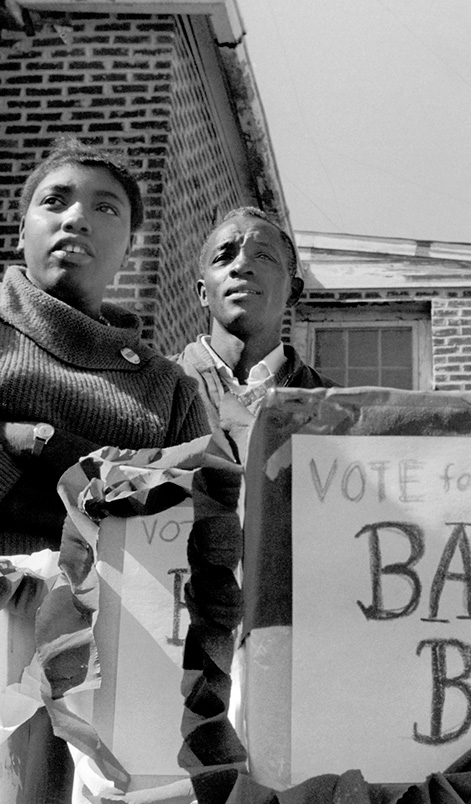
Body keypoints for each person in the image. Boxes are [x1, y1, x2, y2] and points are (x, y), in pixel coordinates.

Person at [0, 137, 210, 803]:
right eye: (53, 202)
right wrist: (18, 443)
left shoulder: (166, 387)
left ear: (130, 246)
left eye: (104, 208)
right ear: (23, 224)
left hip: (117, 661)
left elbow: (198, 527)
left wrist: (52, 450)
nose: (75, 218)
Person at [174, 207, 333, 432]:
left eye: (263, 256)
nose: (240, 266)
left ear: (293, 291)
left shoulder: (335, 411)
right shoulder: (153, 388)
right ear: (203, 293)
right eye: (223, 257)